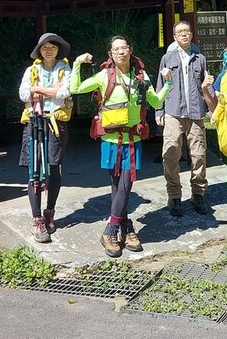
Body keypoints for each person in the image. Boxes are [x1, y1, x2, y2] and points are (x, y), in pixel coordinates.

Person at [70, 36, 172, 258]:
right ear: (111, 54)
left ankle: (111, 229)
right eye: (116, 49)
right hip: (110, 139)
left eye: (124, 48)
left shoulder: (140, 76)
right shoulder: (104, 76)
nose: (121, 52)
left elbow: (155, 102)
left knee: (126, 185)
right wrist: (77, 63)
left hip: (132, 139)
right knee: (117, 186)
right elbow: (75, 88)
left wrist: (169, 84)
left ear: (130, 50)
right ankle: (125, 225)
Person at [18, 33, 73, 243]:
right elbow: (23, 94)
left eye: (53, 47)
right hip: (34, 121)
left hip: (56, 122)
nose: (48, 50)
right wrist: (52, 90)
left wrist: (37, 89)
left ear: (58, 50)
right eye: (44, 47)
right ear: (39, 50)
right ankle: (37, 219)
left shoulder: (65, 69)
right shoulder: (31, 70)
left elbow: (67, 91)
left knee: (54, 166)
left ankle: (50, 212)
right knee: (34, 169)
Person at [156, 21, 214, 217]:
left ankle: (198, 194)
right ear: (174, 37)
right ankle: (174, 195)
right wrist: (159, 110)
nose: (183, 34)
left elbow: (206, 85)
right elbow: (160, 84)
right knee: (171, 155)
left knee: (199, 155)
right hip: (173, 112)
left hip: (196, 114)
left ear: (191, 35)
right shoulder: (167, 58)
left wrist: (212, 109)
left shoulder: (200, 59)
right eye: (179, 32)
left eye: (186, 31)